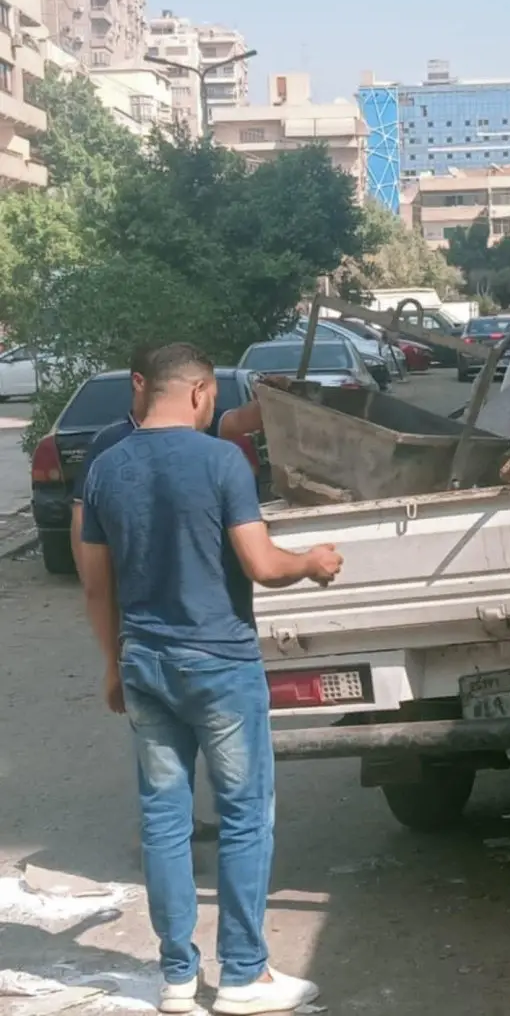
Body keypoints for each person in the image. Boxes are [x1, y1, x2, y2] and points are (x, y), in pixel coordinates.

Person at [77, 343, 343, 1015]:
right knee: (245, 816)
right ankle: (245, 975)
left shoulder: (105, 469)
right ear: (199, 392)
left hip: (145, 662)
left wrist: (113, 665)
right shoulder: (223, 459)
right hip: (220, 663)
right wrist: (310, 560)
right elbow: (260, 564)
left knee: (164, 820)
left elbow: (95, 585)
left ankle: (174, 978)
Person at [70, 344, 269, 575]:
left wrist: (276, 396)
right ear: (139, 382)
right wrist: (92, 583)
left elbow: (242, 420)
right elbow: (82, 522)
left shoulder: (201, 422)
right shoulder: (109, 444)